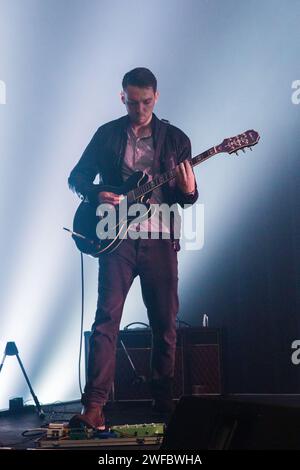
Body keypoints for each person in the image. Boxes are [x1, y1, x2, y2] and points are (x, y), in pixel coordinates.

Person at [68, 67, 198, 429]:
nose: (139, 109)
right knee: (106, 320)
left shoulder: (175, 139)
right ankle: (94, 406)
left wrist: (188, 192)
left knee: (165, 323)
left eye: (145, 102)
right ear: (121, 97)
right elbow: (76, 179)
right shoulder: (107, 135)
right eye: (132, 102)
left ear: (156, 97)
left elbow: (185, 197)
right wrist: (97, 193)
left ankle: (163, 401)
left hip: (159, 238)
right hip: (115, 236)